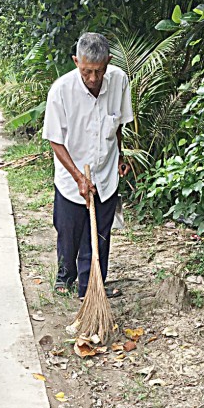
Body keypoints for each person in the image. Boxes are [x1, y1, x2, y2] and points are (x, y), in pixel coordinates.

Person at [42, 32, 133, 300]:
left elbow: (118, 125)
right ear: (75, 61)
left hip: (104, 174)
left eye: (99, 71)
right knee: (69, 232)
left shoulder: (119, 81)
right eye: (86, 71)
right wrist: (79, 177)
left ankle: (92, 286)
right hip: (71, 177)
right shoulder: (61, 91)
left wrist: (120, 156)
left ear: (109, 62)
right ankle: (65, 275)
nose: (93, 78)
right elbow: (56, 141)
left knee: (99, 236)